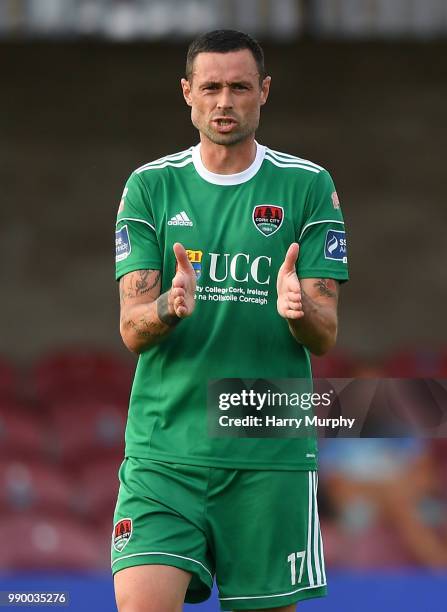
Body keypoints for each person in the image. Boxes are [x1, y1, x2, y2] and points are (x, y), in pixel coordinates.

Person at [112, 29, 349, 612]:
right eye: (211, 87)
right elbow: (130, 328)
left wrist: (300, 311)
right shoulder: (151, 187)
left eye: (240, 87)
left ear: (263, 92)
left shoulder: (308, 186)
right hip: (164, 452)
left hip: (268, 455)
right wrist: (167, 306)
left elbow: (325, 333)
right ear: (187, 92)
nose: (224, 102)